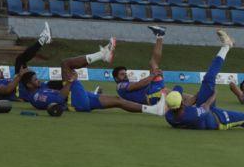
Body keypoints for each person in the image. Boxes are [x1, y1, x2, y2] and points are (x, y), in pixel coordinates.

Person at [163, 30, 244, 131]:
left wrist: (194, 94)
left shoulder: (170, 116)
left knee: (208, 78)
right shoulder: (191, 115)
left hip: (202, 110)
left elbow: (187, 99)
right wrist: (214, 94)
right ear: (180, 104)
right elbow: (206, 107)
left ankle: (226, 46)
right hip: (217, 120)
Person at [25, 38, 164, 115]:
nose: (39, 80)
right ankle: (101, 55)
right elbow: (59, 98)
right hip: (73, 103)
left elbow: (55, 84)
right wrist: (69, 82)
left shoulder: (41, 87)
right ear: (29, 85)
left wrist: (66, 78)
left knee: (117, 100)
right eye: (35, 80)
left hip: (83, 98)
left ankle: (153, 110)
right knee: (65, 63)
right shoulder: (36, 97)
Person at [0, 22, 52, 101]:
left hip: (26, 87)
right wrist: (19, 76)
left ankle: (43, 39)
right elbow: (6, 90)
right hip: (24, 90)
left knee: (55, 84)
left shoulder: (3, 80)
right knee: (20, 59)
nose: (1, 72)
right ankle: (43, 39)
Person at [112, 25, 167, 105]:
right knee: (153, 63)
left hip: (153, 90)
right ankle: (160, 35)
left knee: (153, 63)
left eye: (125, 73)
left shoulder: (126, 84)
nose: (125, 75)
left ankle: (160, 35)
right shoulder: (120, 86)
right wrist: (153, 75)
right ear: (116, 78)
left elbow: (141, 85)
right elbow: (139, 84)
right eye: (122, 74)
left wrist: (154, 75)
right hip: (152, 95)